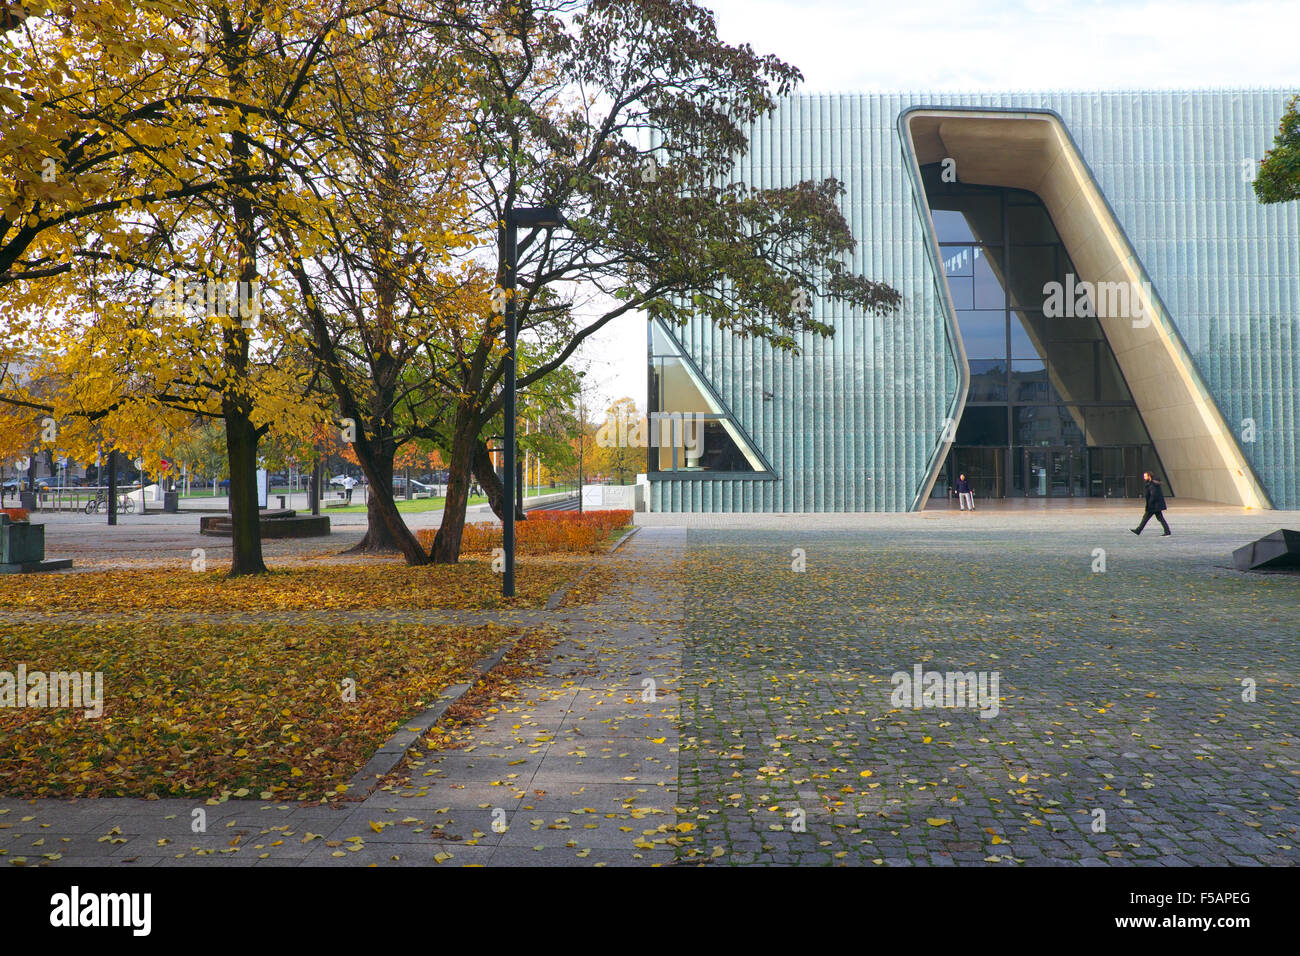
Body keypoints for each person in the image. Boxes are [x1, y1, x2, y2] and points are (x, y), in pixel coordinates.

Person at [1132, 472, 1170, 536]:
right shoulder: (1152, 484)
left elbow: (1153, 495)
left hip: (1153, 506)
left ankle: (1138, 530)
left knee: (1146, 518)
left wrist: (1149, 504)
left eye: (1145, 476)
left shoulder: (1152, 485)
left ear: (1149, 476)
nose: (1144, 477)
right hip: (1155, 505)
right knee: (1159, 518)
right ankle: (1167, 531)